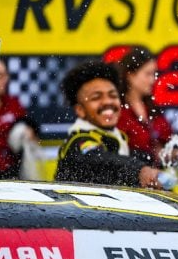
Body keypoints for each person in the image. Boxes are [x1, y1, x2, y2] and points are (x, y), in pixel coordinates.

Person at [55, 60, 164, 188]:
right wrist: (140, 170)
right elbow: (100, 159)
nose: (107, 102)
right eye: (96, 97)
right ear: (80, 110)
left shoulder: (118, 139)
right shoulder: (78, 141)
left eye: (113, 96)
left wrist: (167, 160)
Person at [115, 47, 172, 165]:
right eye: (148, 74)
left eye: (154, 74)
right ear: (130, 75)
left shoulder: (152, 108)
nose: (153, 80)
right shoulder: (117, 110)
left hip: (158, 177)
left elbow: (168, 140)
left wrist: (175, 153)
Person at [0, 60, 39, 179]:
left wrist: (30, 132)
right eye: (0, 76)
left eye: (6, 75)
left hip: (13, 172)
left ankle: (33, 187)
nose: (6, 80)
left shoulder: (12, 104)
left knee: (21, 131)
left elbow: (33, 130)